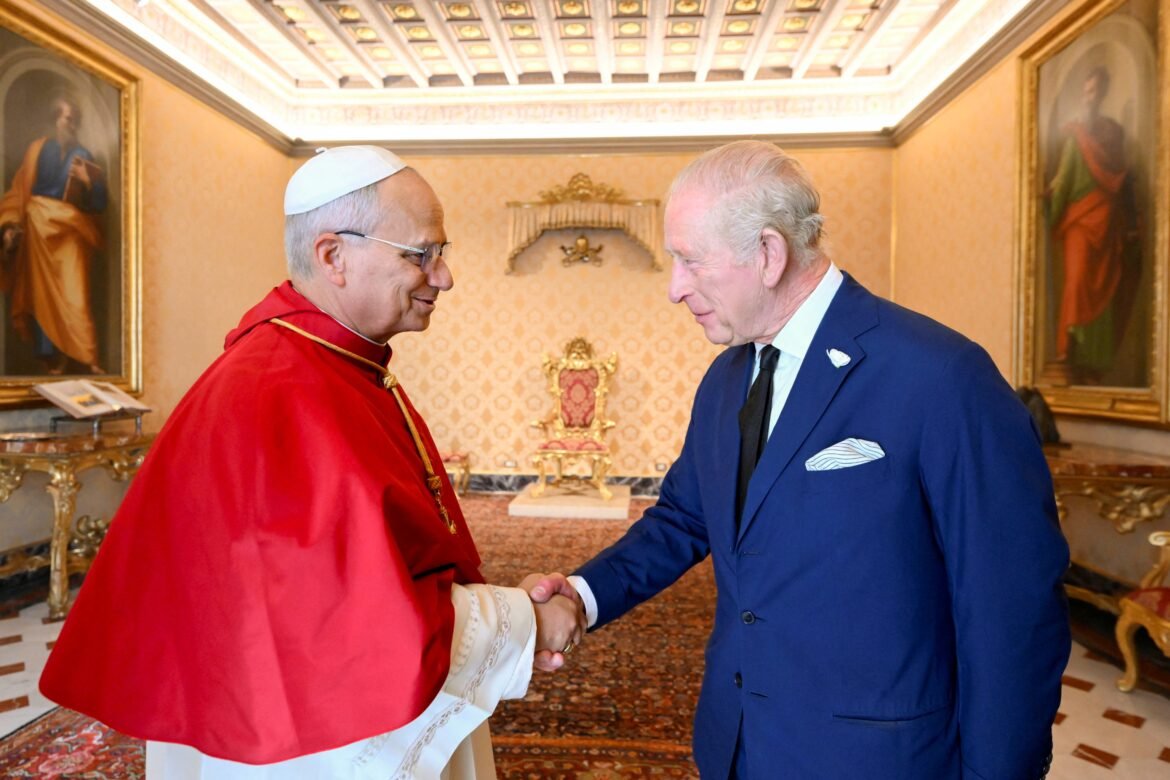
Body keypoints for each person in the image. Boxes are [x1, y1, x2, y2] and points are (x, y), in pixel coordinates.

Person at [40, 145, 585, 779]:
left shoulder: (327, 364)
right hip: (298, 742)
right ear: (333, 256)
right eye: (420, 254)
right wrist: (525, 621)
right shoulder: (281, 389)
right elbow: (351, 626)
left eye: (441, 251)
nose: (443, 277)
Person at [529, 141, 1070, 779]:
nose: (675, 289)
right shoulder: (726, 380)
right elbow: (683, 519)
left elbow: (1012, 611)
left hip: (878, 761)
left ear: (768, 253)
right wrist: (581, 597)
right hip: (739, 746)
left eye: (691, 261)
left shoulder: (941, 377)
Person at [0, 93, 107, 375]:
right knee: (42, 294)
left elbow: (98, 203)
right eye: (66, 118)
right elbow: (17, 193)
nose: (70, 124)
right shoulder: (37, 151)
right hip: (38, 226)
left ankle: (86, 355)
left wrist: (88, 182)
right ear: (56, 121)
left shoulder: (83, 156)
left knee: (75, 295)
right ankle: (50, 358)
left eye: (74, 120)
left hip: (71, 230)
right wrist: (9, 226)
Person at [1046, 65, 1140, 380]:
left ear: (1102, 94)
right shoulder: (1078, 135)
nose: (1090, 97)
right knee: (1077, 284)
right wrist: (1051, 199)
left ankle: (1092, 360)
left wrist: (1051, 205)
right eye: (1087, 91)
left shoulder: (1106, 134)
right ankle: (1070, 352)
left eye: (1095, 91)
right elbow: (1063, 180)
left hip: (1105, 219)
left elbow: (1118, 178)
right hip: (1082, 222)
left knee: (1102, 289)